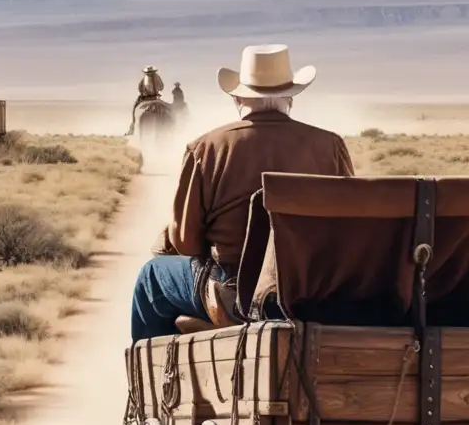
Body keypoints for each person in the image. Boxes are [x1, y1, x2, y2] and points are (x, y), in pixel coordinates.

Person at [130, 44, 354, 341]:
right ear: (291, 98)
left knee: (152, 277)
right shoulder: (330, 146)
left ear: (237, 97)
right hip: (313, 292)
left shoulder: (206, 149)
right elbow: (350, 230)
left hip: (234, 294)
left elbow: (185, 243)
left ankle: (150, 383)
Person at [126, 66, 168, 136]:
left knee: (134, 108)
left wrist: (145, 91)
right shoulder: (157, 77)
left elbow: (139, 88)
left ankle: (133, 126)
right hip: (155, 98)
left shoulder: (144, 78)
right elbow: (161, 87)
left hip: (145, 98)